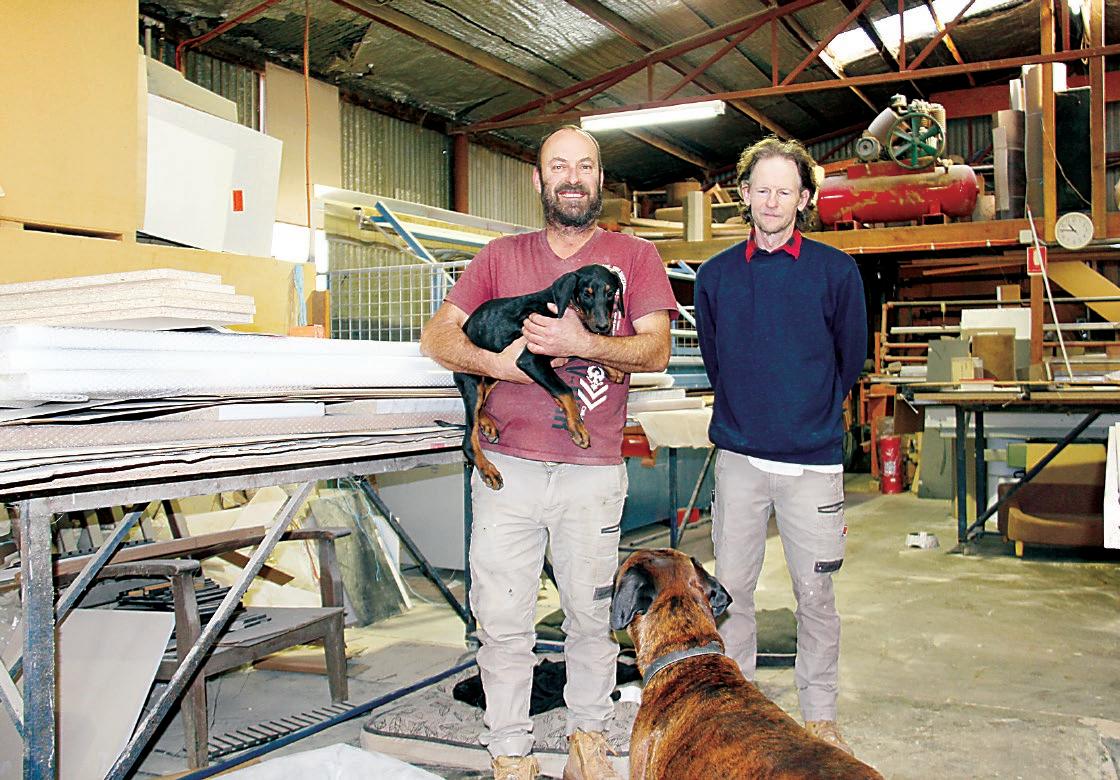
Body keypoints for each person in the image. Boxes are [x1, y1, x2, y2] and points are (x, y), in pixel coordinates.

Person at [420, 125, 677, 780]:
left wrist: (581, 343)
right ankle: (510, 752)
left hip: (592, 475)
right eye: (559, 166)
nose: (572, 178)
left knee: (591, 617)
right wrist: (498, 365)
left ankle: (588, 742)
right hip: (508, 471)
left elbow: (655, 350)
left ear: (600, 179)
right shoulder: (500, 257)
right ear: (539, 179)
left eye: (584, 166)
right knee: (502, 618)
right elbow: (438, 337)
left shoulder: (635, 256)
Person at [693, 136, 867, 756]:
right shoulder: (714, 277)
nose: (772, 201)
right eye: (761, 189)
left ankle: (819, 715)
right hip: (739, 460)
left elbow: (851, 358)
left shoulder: (835, 272)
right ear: (744, 194)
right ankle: (738, 712)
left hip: (812, 463)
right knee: (731, 594)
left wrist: (807, 413)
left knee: (815, 597)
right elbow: (715, 359)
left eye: (784, 191)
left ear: (805, 198)